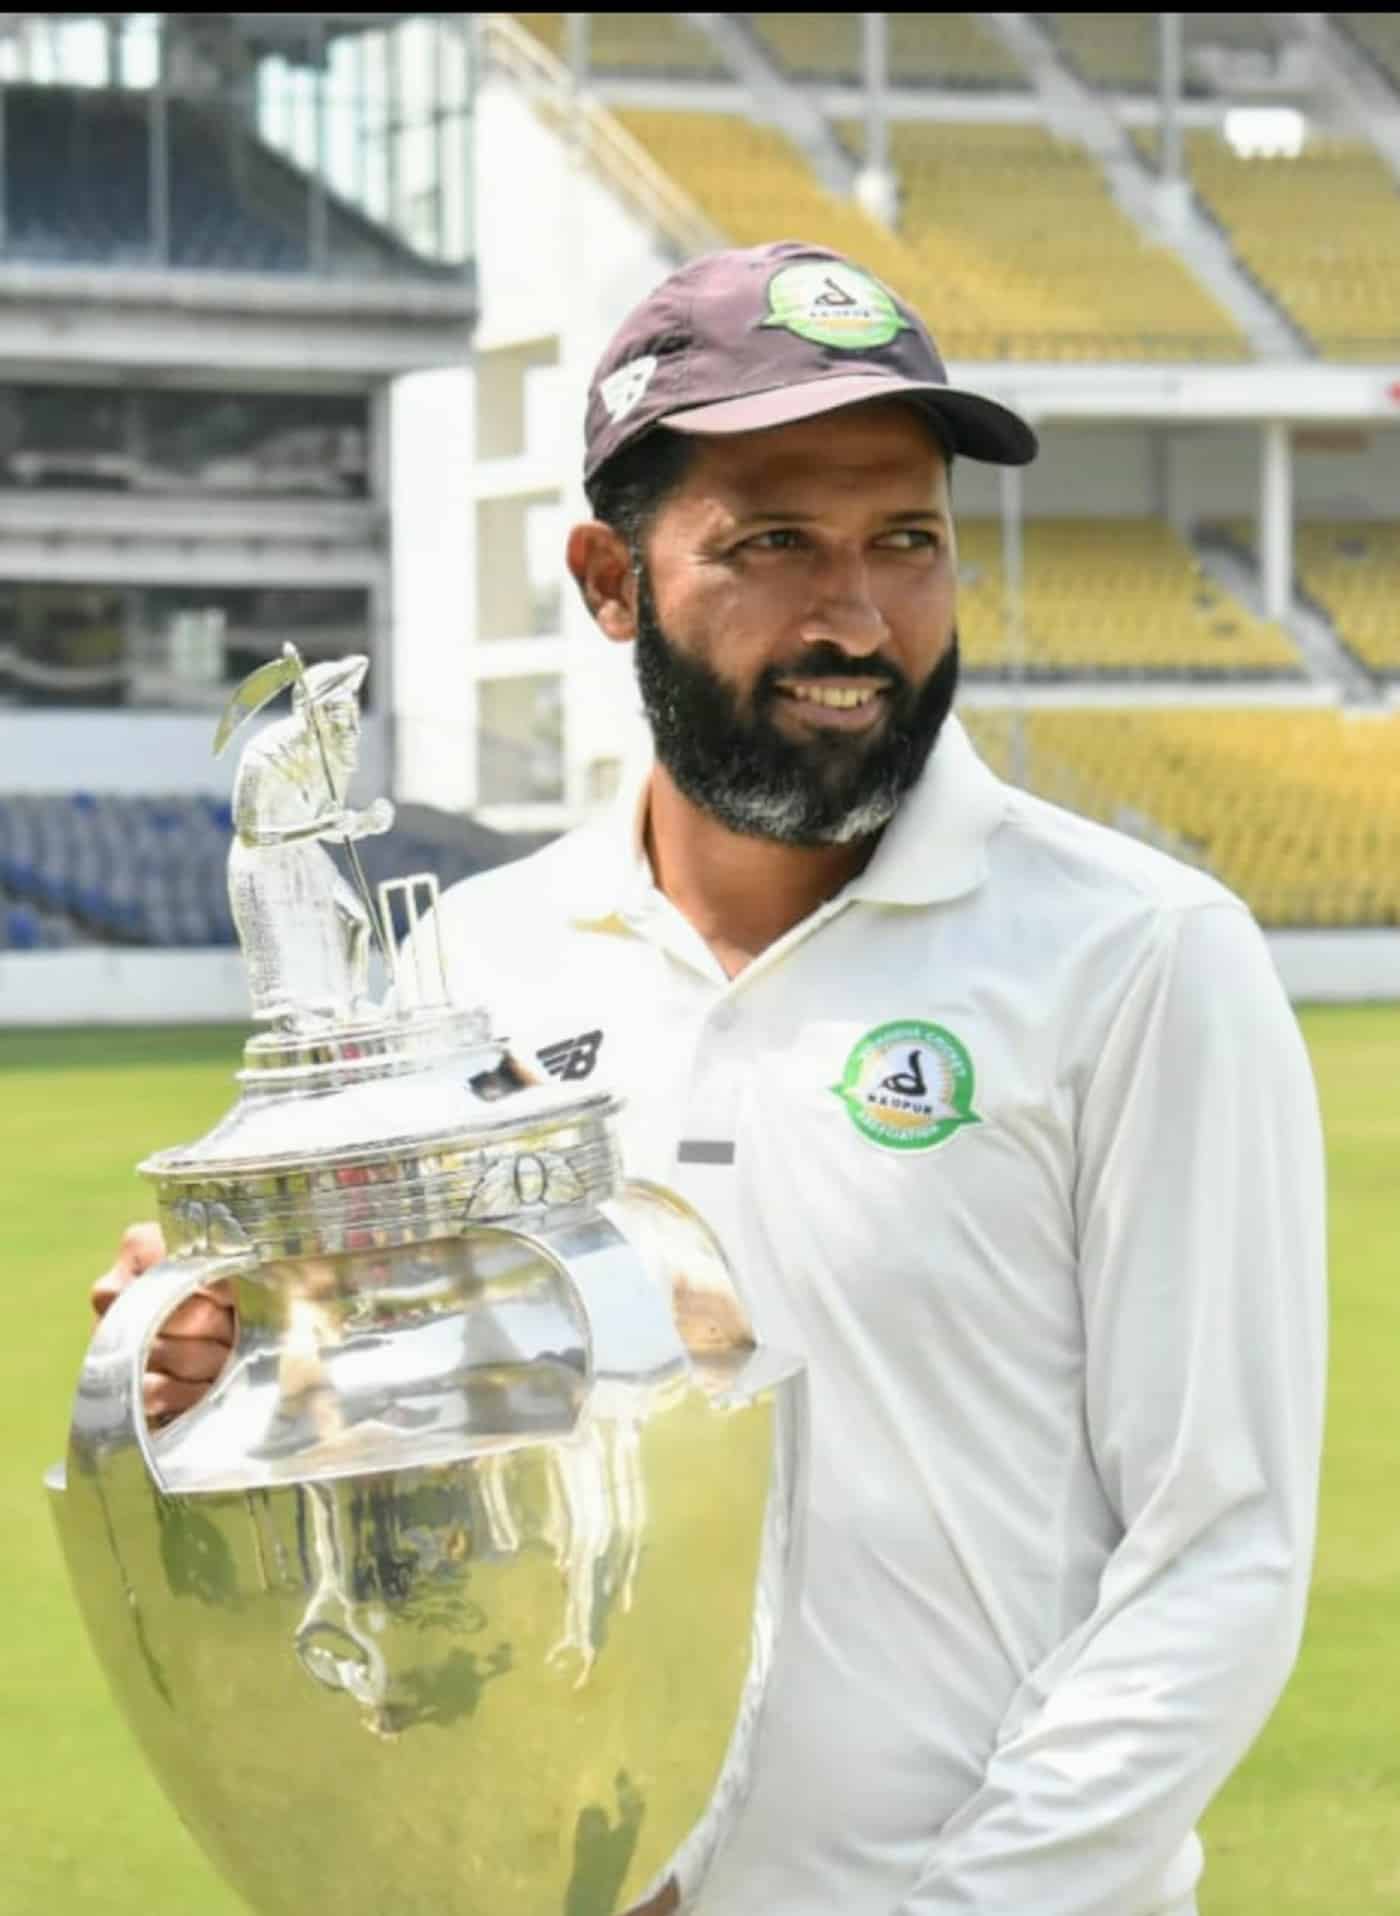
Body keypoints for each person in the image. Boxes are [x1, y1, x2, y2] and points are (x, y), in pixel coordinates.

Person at [94, 240, 1327, 1916]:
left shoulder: (1140, 954)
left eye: (908, 541)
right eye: (774, 544)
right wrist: (247, 1373)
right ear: (611, 581)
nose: (857, 618)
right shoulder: (467, 968)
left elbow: (1221, 1550)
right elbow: (424, 1492)